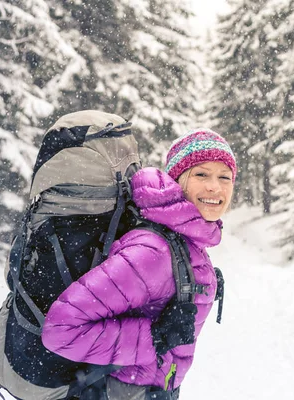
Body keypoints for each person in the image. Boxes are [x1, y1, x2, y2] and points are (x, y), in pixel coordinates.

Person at [40, 128, 236, 399]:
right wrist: (154, 336)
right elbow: (60, 330)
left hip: (151, 388)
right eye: (201, 174)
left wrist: (193, 281)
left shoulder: (183, 238)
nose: (215, 186)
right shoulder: (153, 252)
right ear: (177, 179)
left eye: (224, 177)